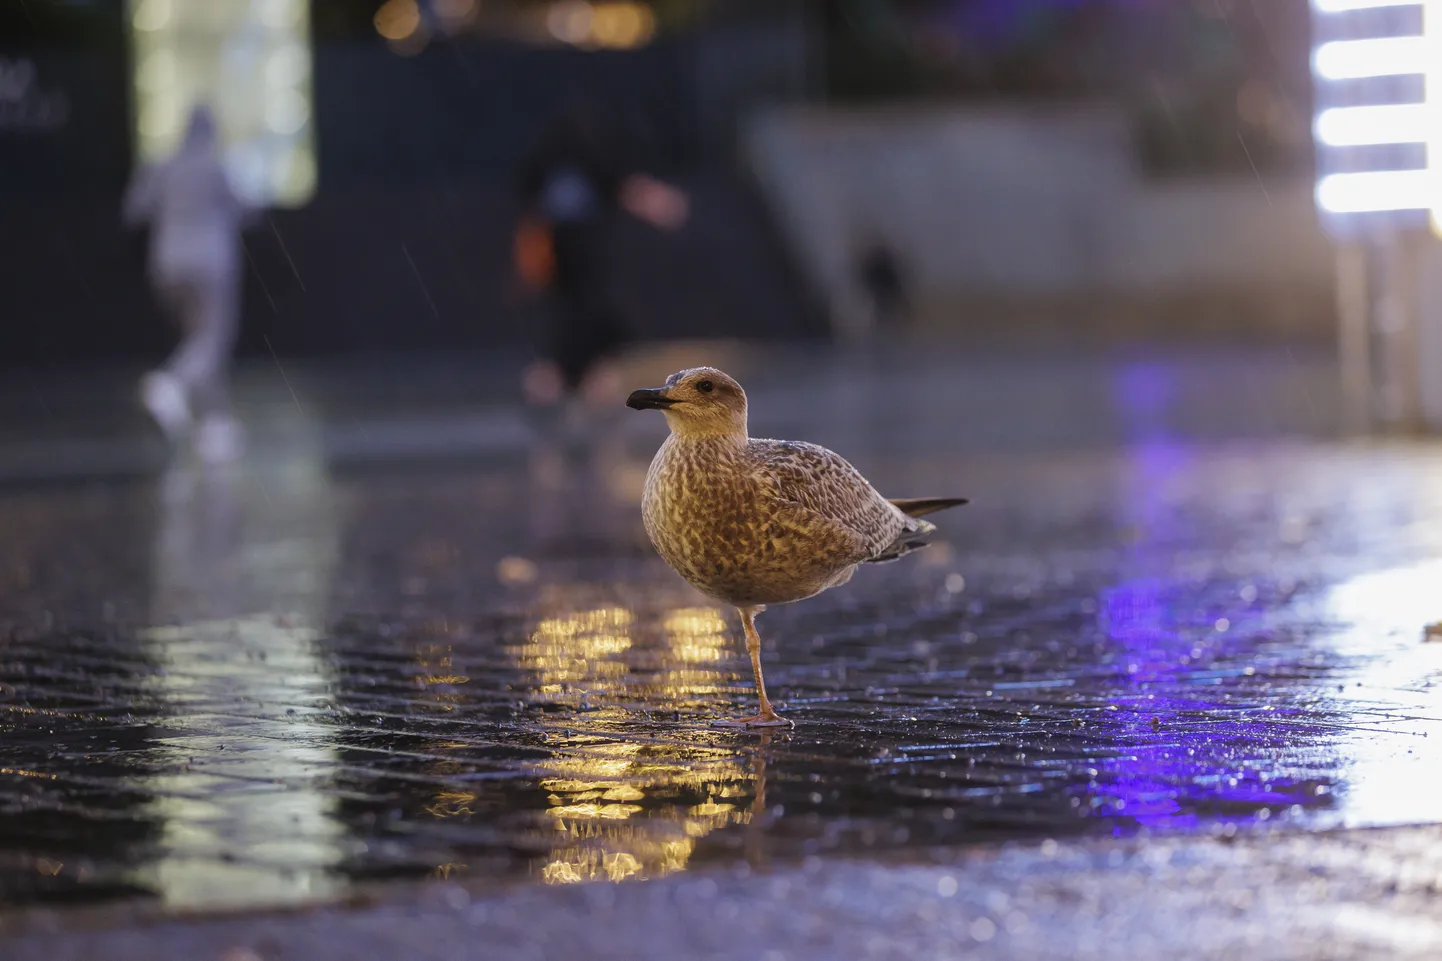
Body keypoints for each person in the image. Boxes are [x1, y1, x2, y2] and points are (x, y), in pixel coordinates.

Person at [515, 98, 688, 408]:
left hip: (581, 251)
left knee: (583, 313)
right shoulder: (565, 163)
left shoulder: (574, 162)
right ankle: (565, 377)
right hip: (567, 251)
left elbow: (619, 184)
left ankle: (578, 376)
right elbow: (621, 186)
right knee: (573, 314)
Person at [123, 104, 254, 463]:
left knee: (199, 342)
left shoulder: (163, 166)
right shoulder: (216, 167)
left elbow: (135, 208)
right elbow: (247, 209)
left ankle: (214, 427)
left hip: (166, 266)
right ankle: (170, 385)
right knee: (212, 340)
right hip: (210, 265)